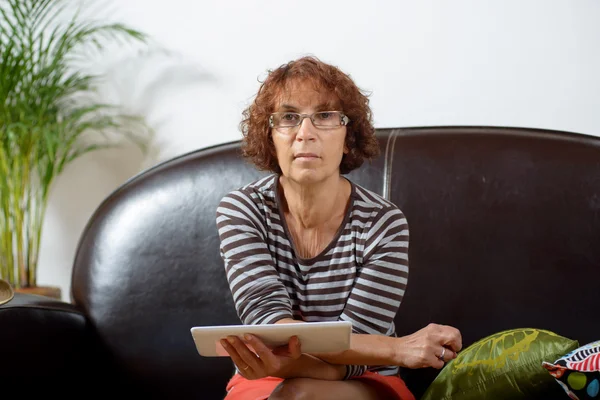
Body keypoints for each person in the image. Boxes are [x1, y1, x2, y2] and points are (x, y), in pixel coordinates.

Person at [215, 55, 462, 400]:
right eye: (288, 118)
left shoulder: (383, 224)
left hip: (366, 379)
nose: (305, 134)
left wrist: (283, 364)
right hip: (265, 377)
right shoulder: (242, 210)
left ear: (348, 137)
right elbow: (269, 324)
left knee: (297, 395)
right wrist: (397, 349)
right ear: (270, 137)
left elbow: (357, 359)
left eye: (325, 116)